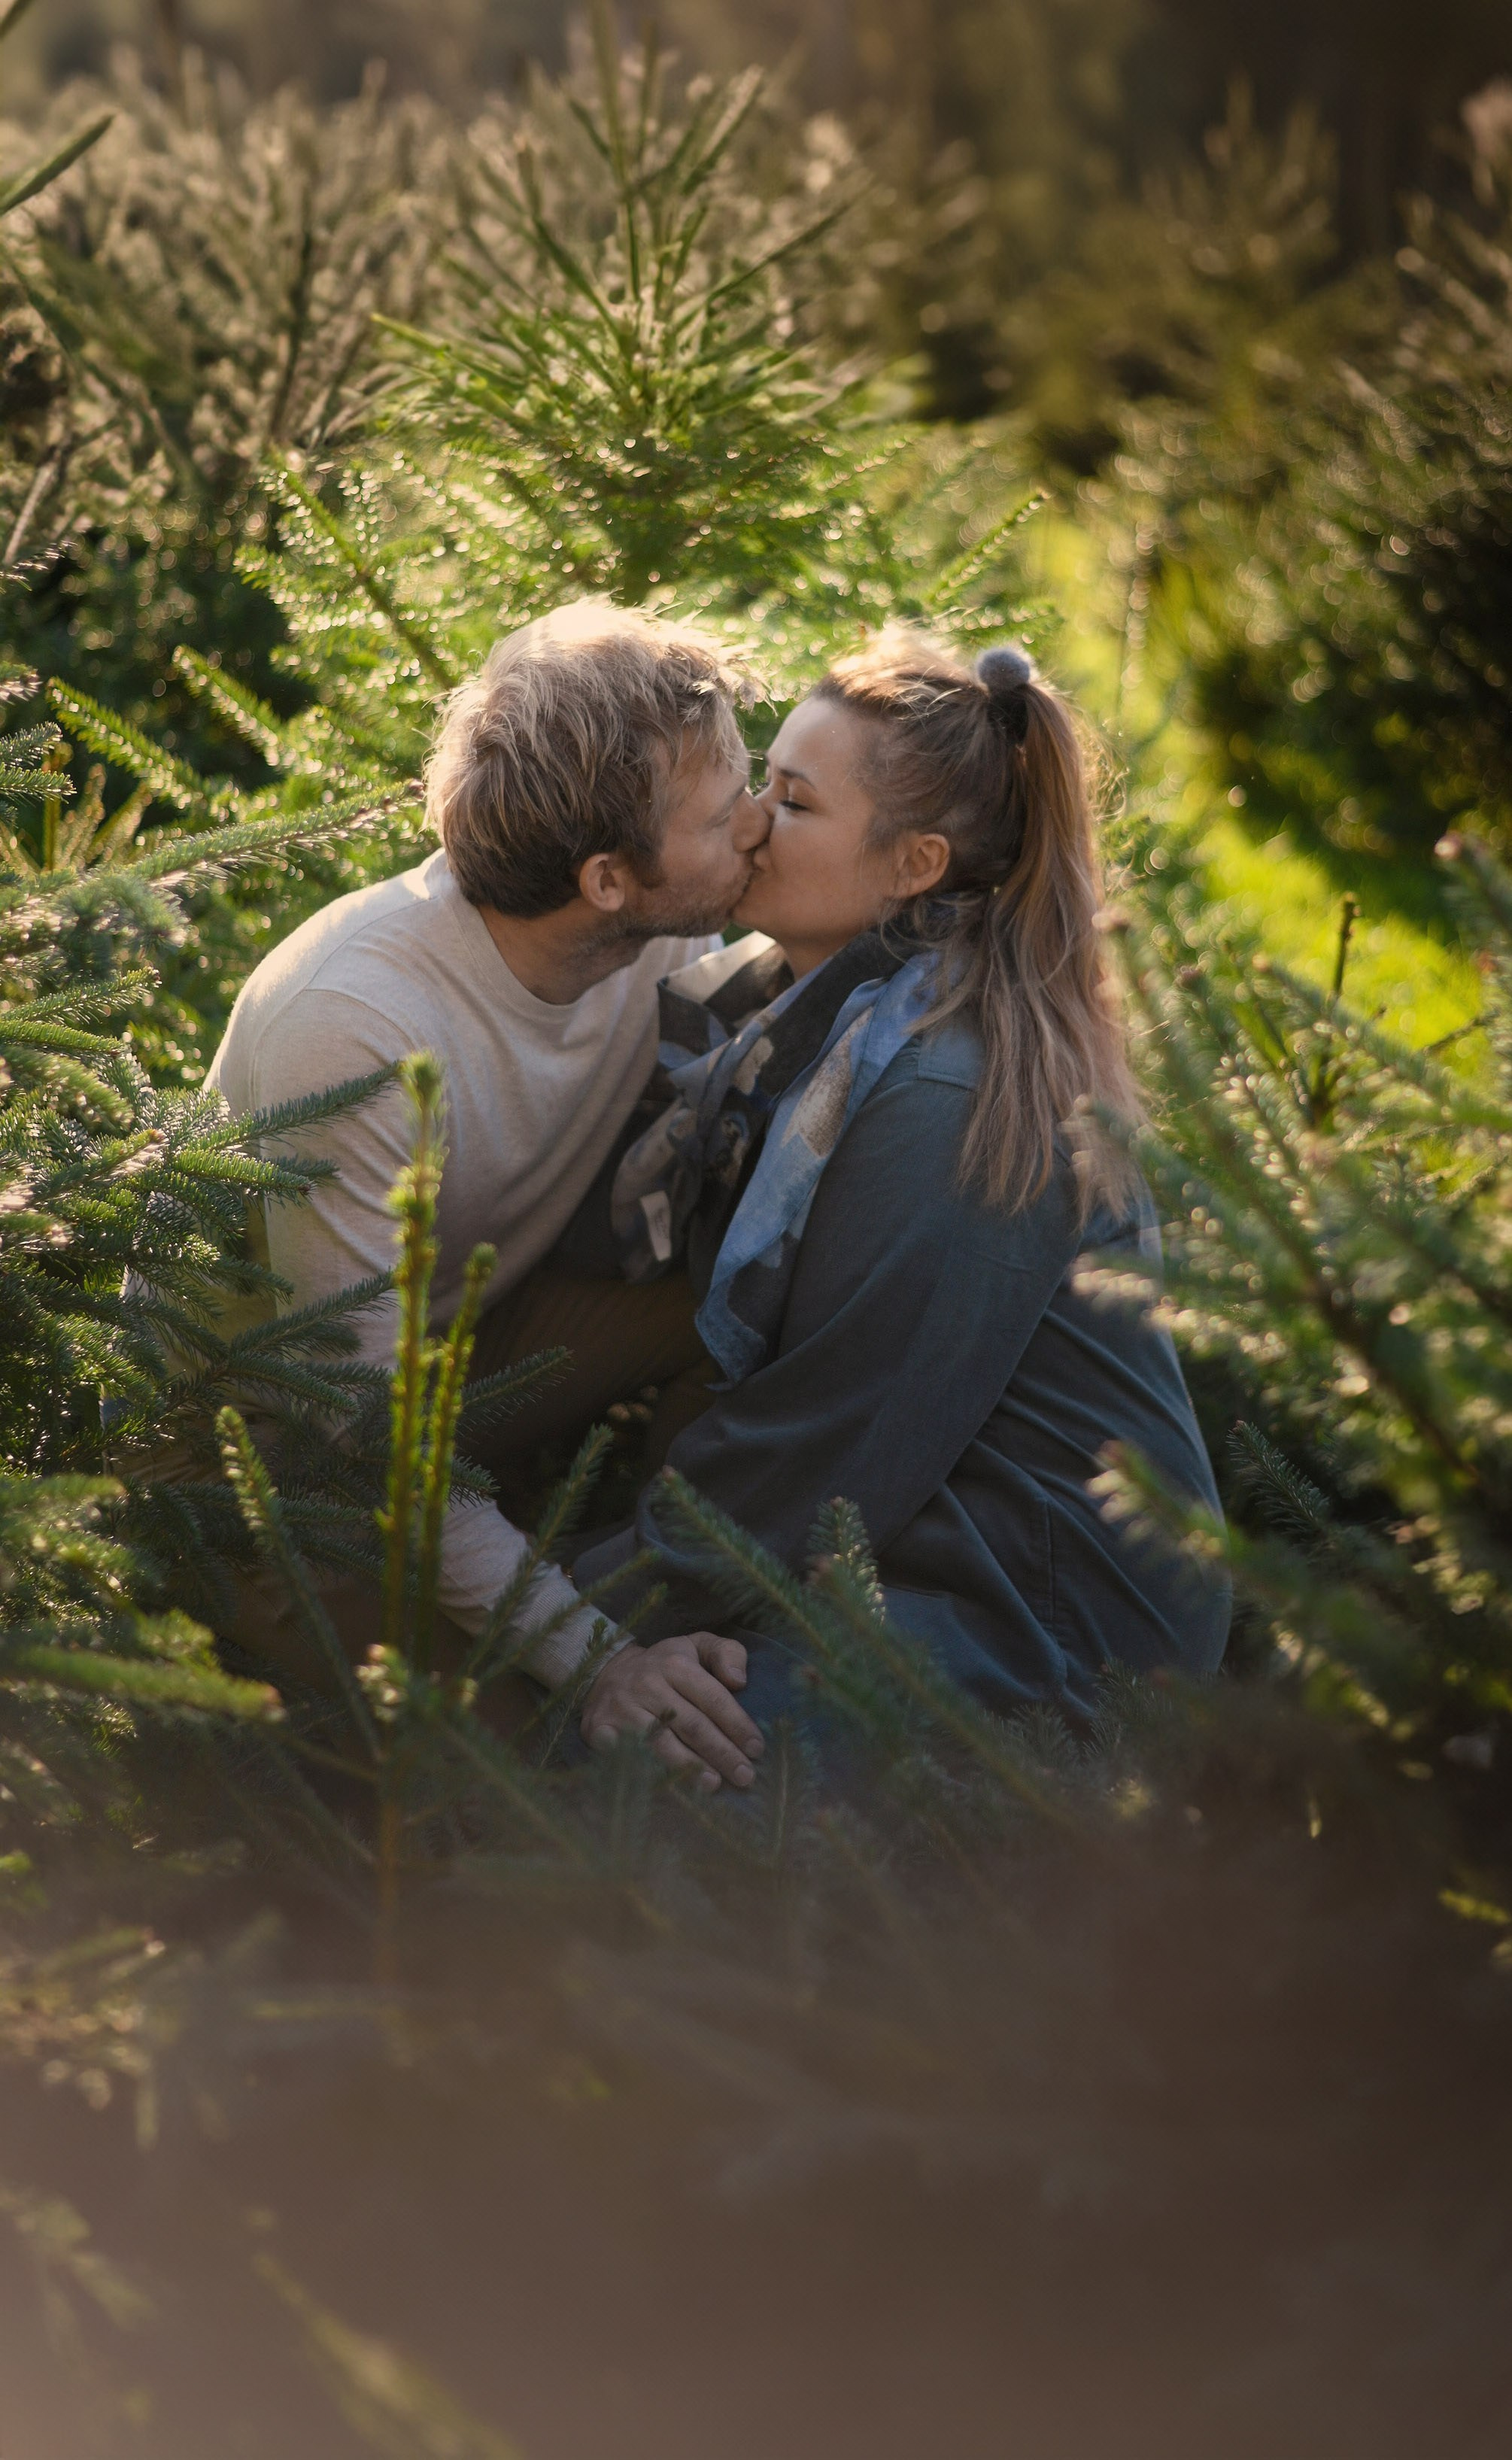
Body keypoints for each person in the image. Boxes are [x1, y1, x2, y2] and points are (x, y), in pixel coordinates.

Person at [573, 627, 1228, 1738]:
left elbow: (823, 1446)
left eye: (793, 801)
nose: (748, 823)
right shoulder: (796, 1017)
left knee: (646, 1785)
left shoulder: (942, 1095)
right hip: (903, 1529)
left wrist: (555, 1622)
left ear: (913, 865)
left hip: (1043, 1616)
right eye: (758, 785)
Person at [209, 600, 768, 1792]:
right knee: (526, 1775)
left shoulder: (642, 938)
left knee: (746, 1301)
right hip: (265, 1458)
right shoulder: (361, 1026)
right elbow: (361, 1434)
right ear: (610, 877)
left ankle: (667, 1598)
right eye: (728, 815)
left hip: (456, 1364)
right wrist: (593, 1661)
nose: (762, 826)